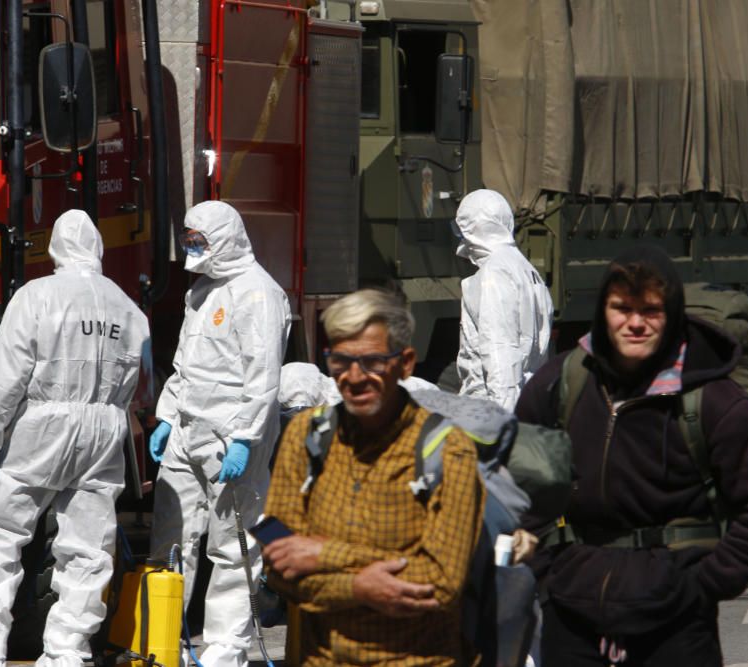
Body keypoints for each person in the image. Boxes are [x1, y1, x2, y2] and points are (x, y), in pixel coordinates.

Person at [514, 245, 748, 667]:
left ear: (672, 315)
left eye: (650, 310)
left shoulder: (713, 400)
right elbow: (513, 479)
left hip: (675, 625)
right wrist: (548, 576)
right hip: (573, 616)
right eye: (621, 308)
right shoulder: (561, 381)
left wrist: (700, 585)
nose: (634, 323)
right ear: (602, 310)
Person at [0, 210, 150, 667]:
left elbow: (7, 375)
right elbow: (143, 382)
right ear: (97, 247)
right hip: (105, 426)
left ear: (53, 246)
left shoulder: (37, 296)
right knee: (89, 546)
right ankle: (68, 651)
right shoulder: (127, 307)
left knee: (0, 534)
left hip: (44, 425)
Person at [262, 288, 485, 666]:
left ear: (406, 363)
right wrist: (361, 586)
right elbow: (275, 551)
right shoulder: (304, 434)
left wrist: (322, 553)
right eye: (340, 361)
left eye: (372, 362)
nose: (354, 377)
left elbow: (440, 582)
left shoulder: (448, 450)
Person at [148, 200, 290, 667]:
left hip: (231, 436)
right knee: (173, 537)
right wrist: (168, 416)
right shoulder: (201, 291)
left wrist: (246, 438)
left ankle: (225, 650)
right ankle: (164, 640)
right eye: (188, 239)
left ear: (225, 238)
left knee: (233, 545)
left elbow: (263, 375)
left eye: (199, 240)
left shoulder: (258, 294)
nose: (193, 247)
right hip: (189, 429)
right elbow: (184, 363)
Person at [454, 189, 553, 411]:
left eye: (461, 228)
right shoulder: (527, 270)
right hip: (525, 402)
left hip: (487, 409)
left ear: (473, 228)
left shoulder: (494, 274)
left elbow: (499, 350)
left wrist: (501, 424)